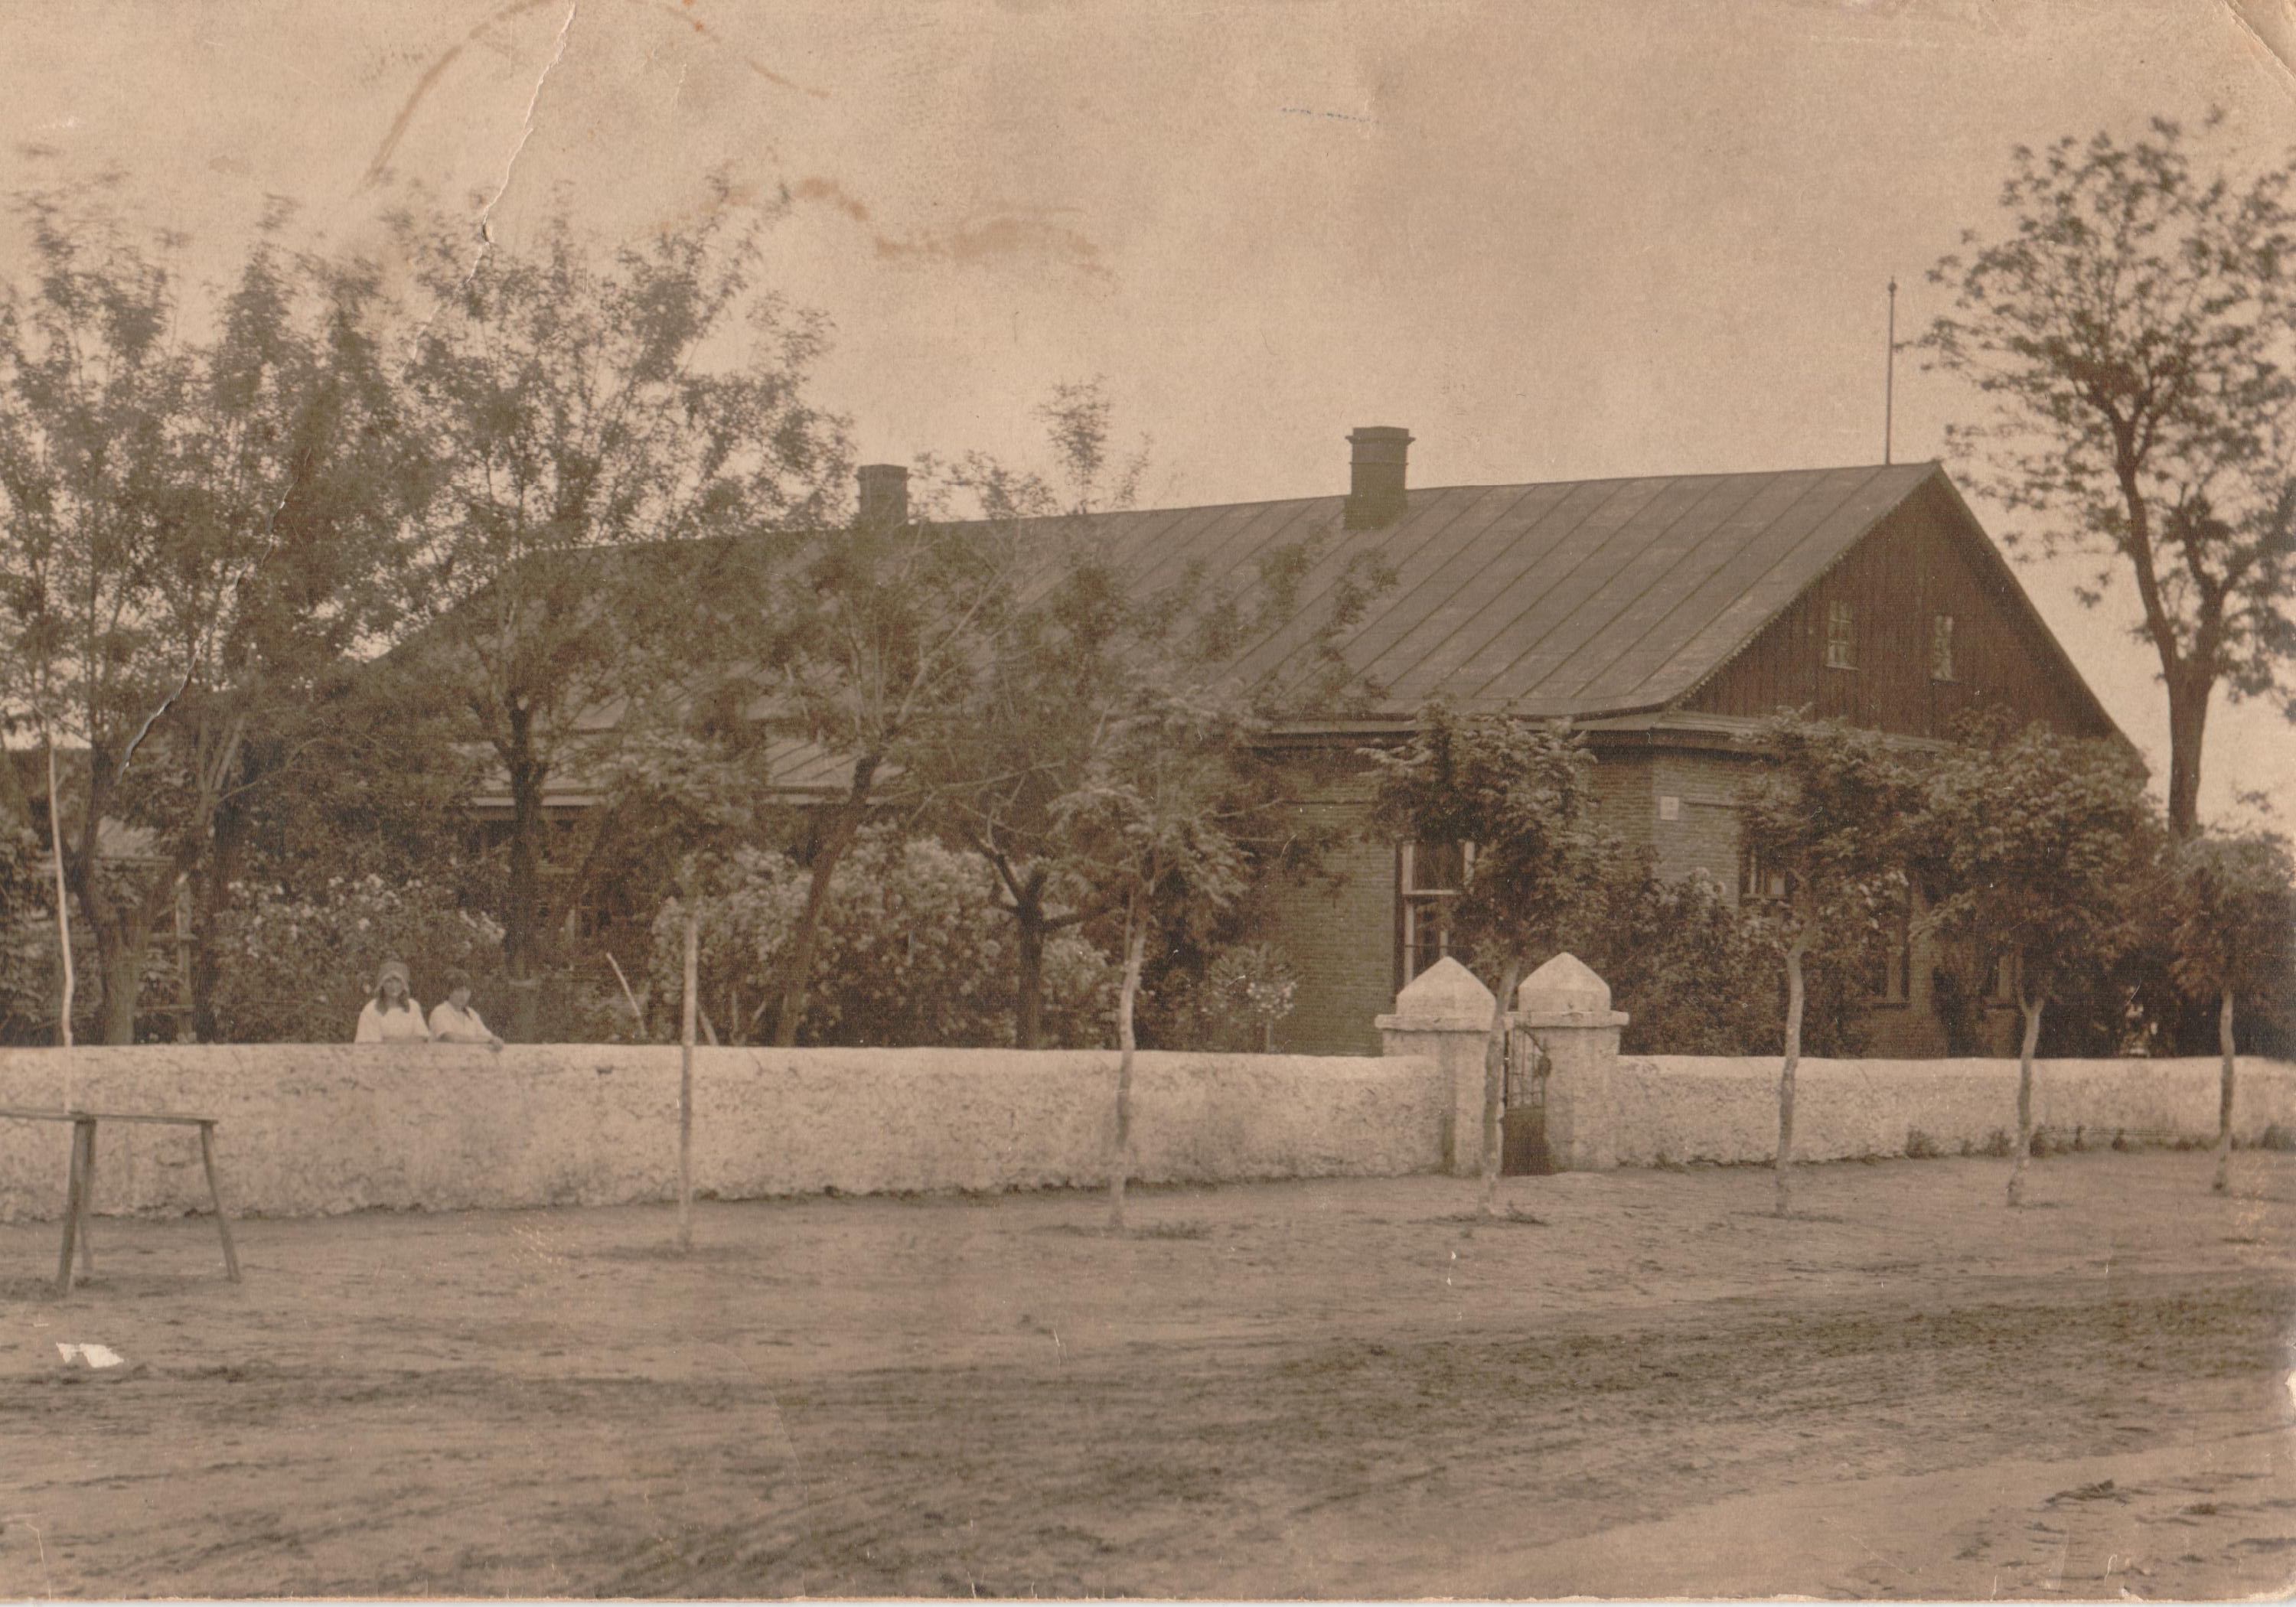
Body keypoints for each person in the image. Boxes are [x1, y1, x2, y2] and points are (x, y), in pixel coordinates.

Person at [354, 959, 432, 1043]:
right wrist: (406, 1042)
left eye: (398, 981)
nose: (393, 986)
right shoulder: (371, 1009)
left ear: (404, 985)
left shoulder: (413, 1006)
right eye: (389, 981)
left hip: (410, 1054)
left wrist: (390, 1041)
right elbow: (372, 1044)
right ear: (382, 984)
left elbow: (421, 1038)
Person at [429, 971, 505, 1051]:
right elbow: (452, 1038)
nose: (463, 995)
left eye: (467, 991)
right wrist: (488, 1040)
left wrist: (493, 1040)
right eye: (459, 990)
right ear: (448, 991)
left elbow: (487, 1035)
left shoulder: (472, 1014)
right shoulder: (440, 1012)